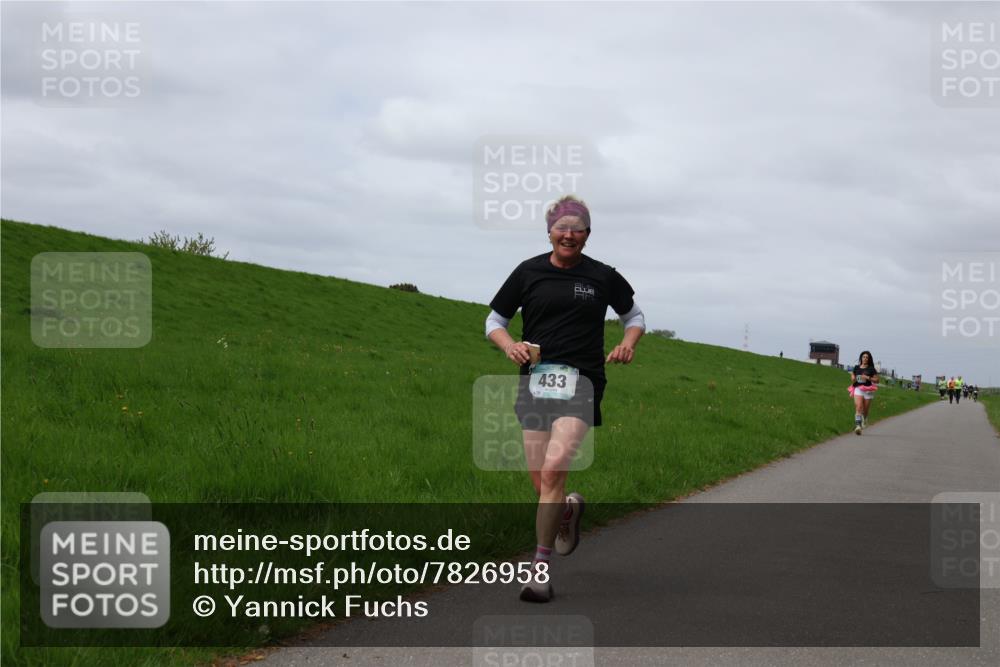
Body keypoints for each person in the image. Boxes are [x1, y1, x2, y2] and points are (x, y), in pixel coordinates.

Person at [485, 195, 645, 603]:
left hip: (583, 380)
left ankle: (538, 573)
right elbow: (495, 321)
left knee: (555, 470)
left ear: (588, 235)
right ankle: (567, 514)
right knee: (542, 481)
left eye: (577, 228)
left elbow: (635, 317)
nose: (568, 234)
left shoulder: (603, 277)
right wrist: (509, 346)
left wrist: (628, 343)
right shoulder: (528, 272)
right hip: (536, 381)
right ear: (550, 232)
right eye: (561, 227)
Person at [849, 350, 879, 435]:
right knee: (859, 407)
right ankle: (858, 426)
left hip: (868, 390)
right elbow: (852, 375)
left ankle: (864, 419)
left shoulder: (871, 369)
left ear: (869, 359)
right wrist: (853, 377)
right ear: (861, 358)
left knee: (865, 410)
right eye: (863, 357)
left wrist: (867, 377)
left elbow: (877, 380)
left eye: (867, 357)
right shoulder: (856, 367)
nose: (865, 358)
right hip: (858, 388)